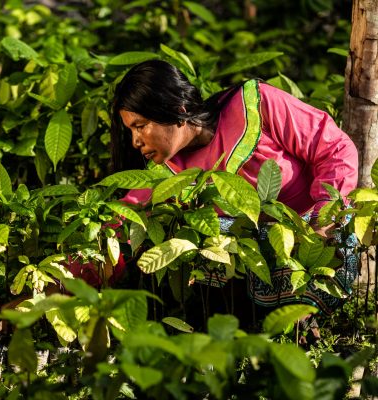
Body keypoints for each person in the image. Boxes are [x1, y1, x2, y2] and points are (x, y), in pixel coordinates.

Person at [109, 59, 359, 321]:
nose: (136, 140)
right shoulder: (165, 174)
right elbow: (124, 220)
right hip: (243, 289)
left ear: (176, 110)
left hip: (312, 249)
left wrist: (322, 222)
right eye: (131, 130)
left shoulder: (255, 105)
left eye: (140, 125)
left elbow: (334, 150)